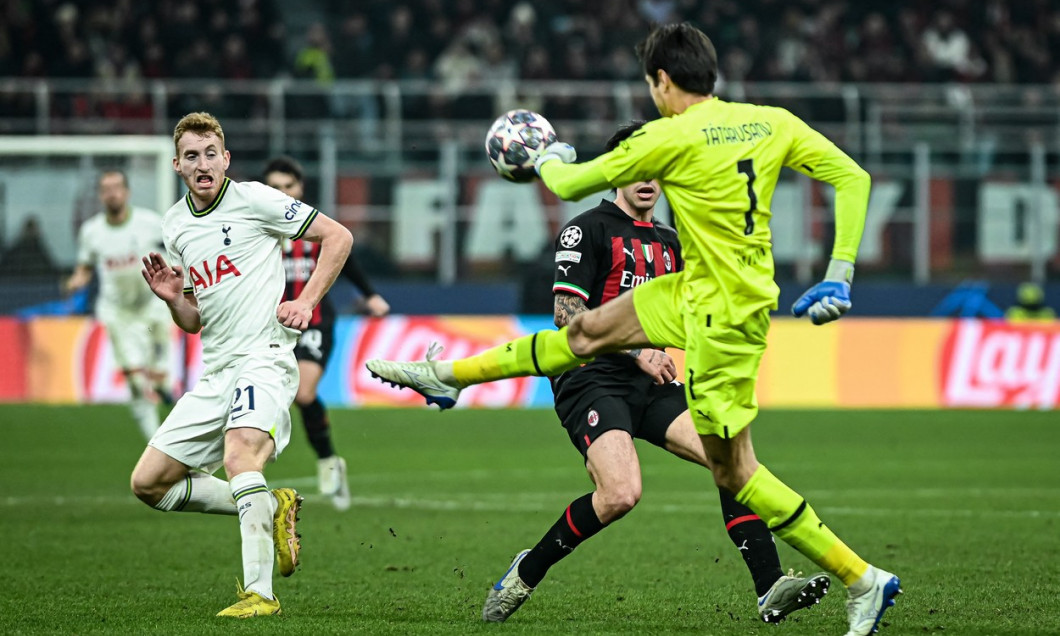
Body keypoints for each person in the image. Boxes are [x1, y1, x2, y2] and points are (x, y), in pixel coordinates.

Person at [367, 23, 900, 636]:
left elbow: (566, 185)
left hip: (722, 321)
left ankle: (863, 578)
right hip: (696, 293)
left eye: (652, 85)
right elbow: (853, 178)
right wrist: (840, 273)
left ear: (662, 81)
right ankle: (447, 377)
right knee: (586, 334)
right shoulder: (771, 121)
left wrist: (549, 157)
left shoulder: (667, 138)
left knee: (737, 474)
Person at [482, 121, 828, 624]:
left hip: (652, 381)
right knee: (621, 495)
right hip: (591, 378)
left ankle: (770, 585)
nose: (646, 178)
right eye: (635, 167)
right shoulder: (587, 228)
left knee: (729, 462)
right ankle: (527, 570)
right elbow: (566, 316)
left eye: (654, 168)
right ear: (616, 174)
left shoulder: (672, 241)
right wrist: (637, 352)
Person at [131, 112, 353, 618]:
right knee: (148, 483)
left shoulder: (255, 199)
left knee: (239, 459)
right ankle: (271, 505)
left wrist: (309, 300)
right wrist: (171, 298)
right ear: (177, 165)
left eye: (211, 154)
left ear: (226, 159)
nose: (202, 164)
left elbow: (338, 237)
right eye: (192, 156)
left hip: (264, 358)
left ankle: (261, 594)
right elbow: (193, 318)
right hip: (216, 370)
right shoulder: (176, 225)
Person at [263, 156, 391, 511]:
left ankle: (328, 461)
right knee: (271, 395)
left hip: (315, 322)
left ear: (300, 189)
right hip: (270, 325)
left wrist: (370, 295)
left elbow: (344, 257)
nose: (283, 193)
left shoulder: (315, 227)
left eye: (288, 186)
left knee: (304, 394)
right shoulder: (257, 230)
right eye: (275, 187)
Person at [65, 171, 172, 440]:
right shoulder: (92, 232)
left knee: (159, 377)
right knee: (135, 381)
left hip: (152, 307)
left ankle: (162, 385)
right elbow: (84, 267)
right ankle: (155, 441)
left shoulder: (149, 222)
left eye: (116, 188)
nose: (112, 193)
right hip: (118, 312)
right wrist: (76, 280)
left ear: (127, 192)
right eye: (106, 189)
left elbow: (173, 252)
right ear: (101, 195)